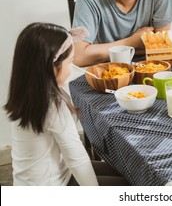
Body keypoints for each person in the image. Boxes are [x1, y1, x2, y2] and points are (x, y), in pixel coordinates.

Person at [4, 22, 130, 185]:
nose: (71, 69)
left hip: (35, 181)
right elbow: (77, 159)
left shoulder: (26, 92)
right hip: (52, 186)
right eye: (69, 62)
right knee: (130, 187)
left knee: (125, 173)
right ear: (52, 67)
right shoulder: (52, 106)